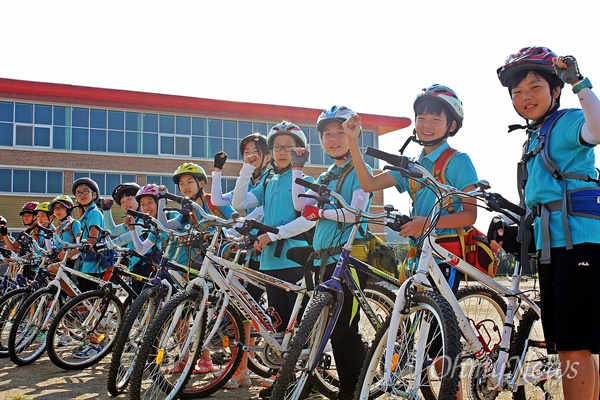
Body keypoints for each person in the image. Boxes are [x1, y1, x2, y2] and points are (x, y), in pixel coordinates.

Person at [494, 46, 600, 399]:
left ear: (555, 89)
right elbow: (539, 198)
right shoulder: (534, 136)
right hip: (553, 247)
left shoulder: (568, 120)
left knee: (573, 345)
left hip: (580, 243)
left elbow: (597, 130)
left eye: (535, 87)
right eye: (517, 91)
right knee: (575, 344)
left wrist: (579, 83)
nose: (525, 97)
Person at [290, 105, 373, 400]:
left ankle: (353, 388)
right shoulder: (326, 175)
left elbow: (356, 213)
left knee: (344, 328)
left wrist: (321, 212)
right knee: (323, 326)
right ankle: (322, 382)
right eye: (328, 134)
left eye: (340, 132)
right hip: (324, 258)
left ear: (353, 133)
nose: (334, 139)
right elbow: (301, 205)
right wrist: (297, 168)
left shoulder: (361, 169)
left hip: (349, 258)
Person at [232, 121, 315, 398]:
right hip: (269, 261)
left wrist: (275, 235)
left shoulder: (305, 179)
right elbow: (239, 203)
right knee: (279, 325)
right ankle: (284, 378)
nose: (282, 152)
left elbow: (306, 219)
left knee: (298, 326)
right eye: (277, 147)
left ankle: (303, 383)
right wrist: (247, 167)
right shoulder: (268, 179)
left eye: (288, 147)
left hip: (294, 260)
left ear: (299, 150)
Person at [158, 162, 236, 374]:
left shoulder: (213, 201)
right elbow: (166, 226)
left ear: (201, 183)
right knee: (184, 313)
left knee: (217, 314)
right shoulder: (185, 209)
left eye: (189, 182)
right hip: (189, 267)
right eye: (181, 183)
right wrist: (160, 201)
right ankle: (188, 357)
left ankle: (224, 361)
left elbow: (236, 222)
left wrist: (223, 235)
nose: (185, 186)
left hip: (216, 266)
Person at [210, 134, 272, 389]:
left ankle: (280, 370)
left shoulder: (270, 178)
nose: (251, 154)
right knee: (243, 313)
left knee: (277, 313)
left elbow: (263, 211)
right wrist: (216, 171)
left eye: (256, 150)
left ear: (267, 154)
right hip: (250, 253)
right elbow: (218, 201)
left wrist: (240, 227)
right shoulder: (250, 179)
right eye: (246, 151)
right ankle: (241, 370)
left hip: (270, 250)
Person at [71, 177, 106, 293]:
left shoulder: (94, 212)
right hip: (85, 263)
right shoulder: (86, 214)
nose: (82, 195)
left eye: (86, 191)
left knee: (88, 300)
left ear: (94, 194)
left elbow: (92, 240)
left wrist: (72, 253)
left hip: (93, 266)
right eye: (79, 193)